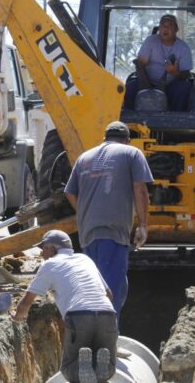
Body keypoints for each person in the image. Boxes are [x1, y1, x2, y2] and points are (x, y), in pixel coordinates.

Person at [64, 121, 153, 322]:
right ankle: (108, 340)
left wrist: (86, 213)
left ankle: (93, 337)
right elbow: (140, 189)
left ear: (104, 138)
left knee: (94, 285)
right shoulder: (132, 154)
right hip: (112, 232)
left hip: (88, 234)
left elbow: (69, 192)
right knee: (111, 289)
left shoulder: (84, 157)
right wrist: (143, 224)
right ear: (128, 140)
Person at [13, 230, 117, 383]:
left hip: (78, 316)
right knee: (108, 366)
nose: (42, 253)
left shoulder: (49, 265)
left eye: (44, 248)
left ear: (53, 248)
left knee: (69, 368)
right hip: (107, 314)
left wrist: (16, 319)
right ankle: (102, 370)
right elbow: (109, 294)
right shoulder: (85, 259)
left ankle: (80, 370)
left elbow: (25, 303)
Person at [124, 14, 193, 111]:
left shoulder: (183, 48)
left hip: (170, 85)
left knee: (184, 88)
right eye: (163, 25)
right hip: (146, 82)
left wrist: (174, 72)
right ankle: (130, 118)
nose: (165, 28)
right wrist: (146, 85)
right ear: (159, 28)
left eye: (169, 26)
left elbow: (186, 75)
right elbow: (140, 64)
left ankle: (175, 119)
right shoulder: (150, 41)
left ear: (176, 29)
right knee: (129, 88)